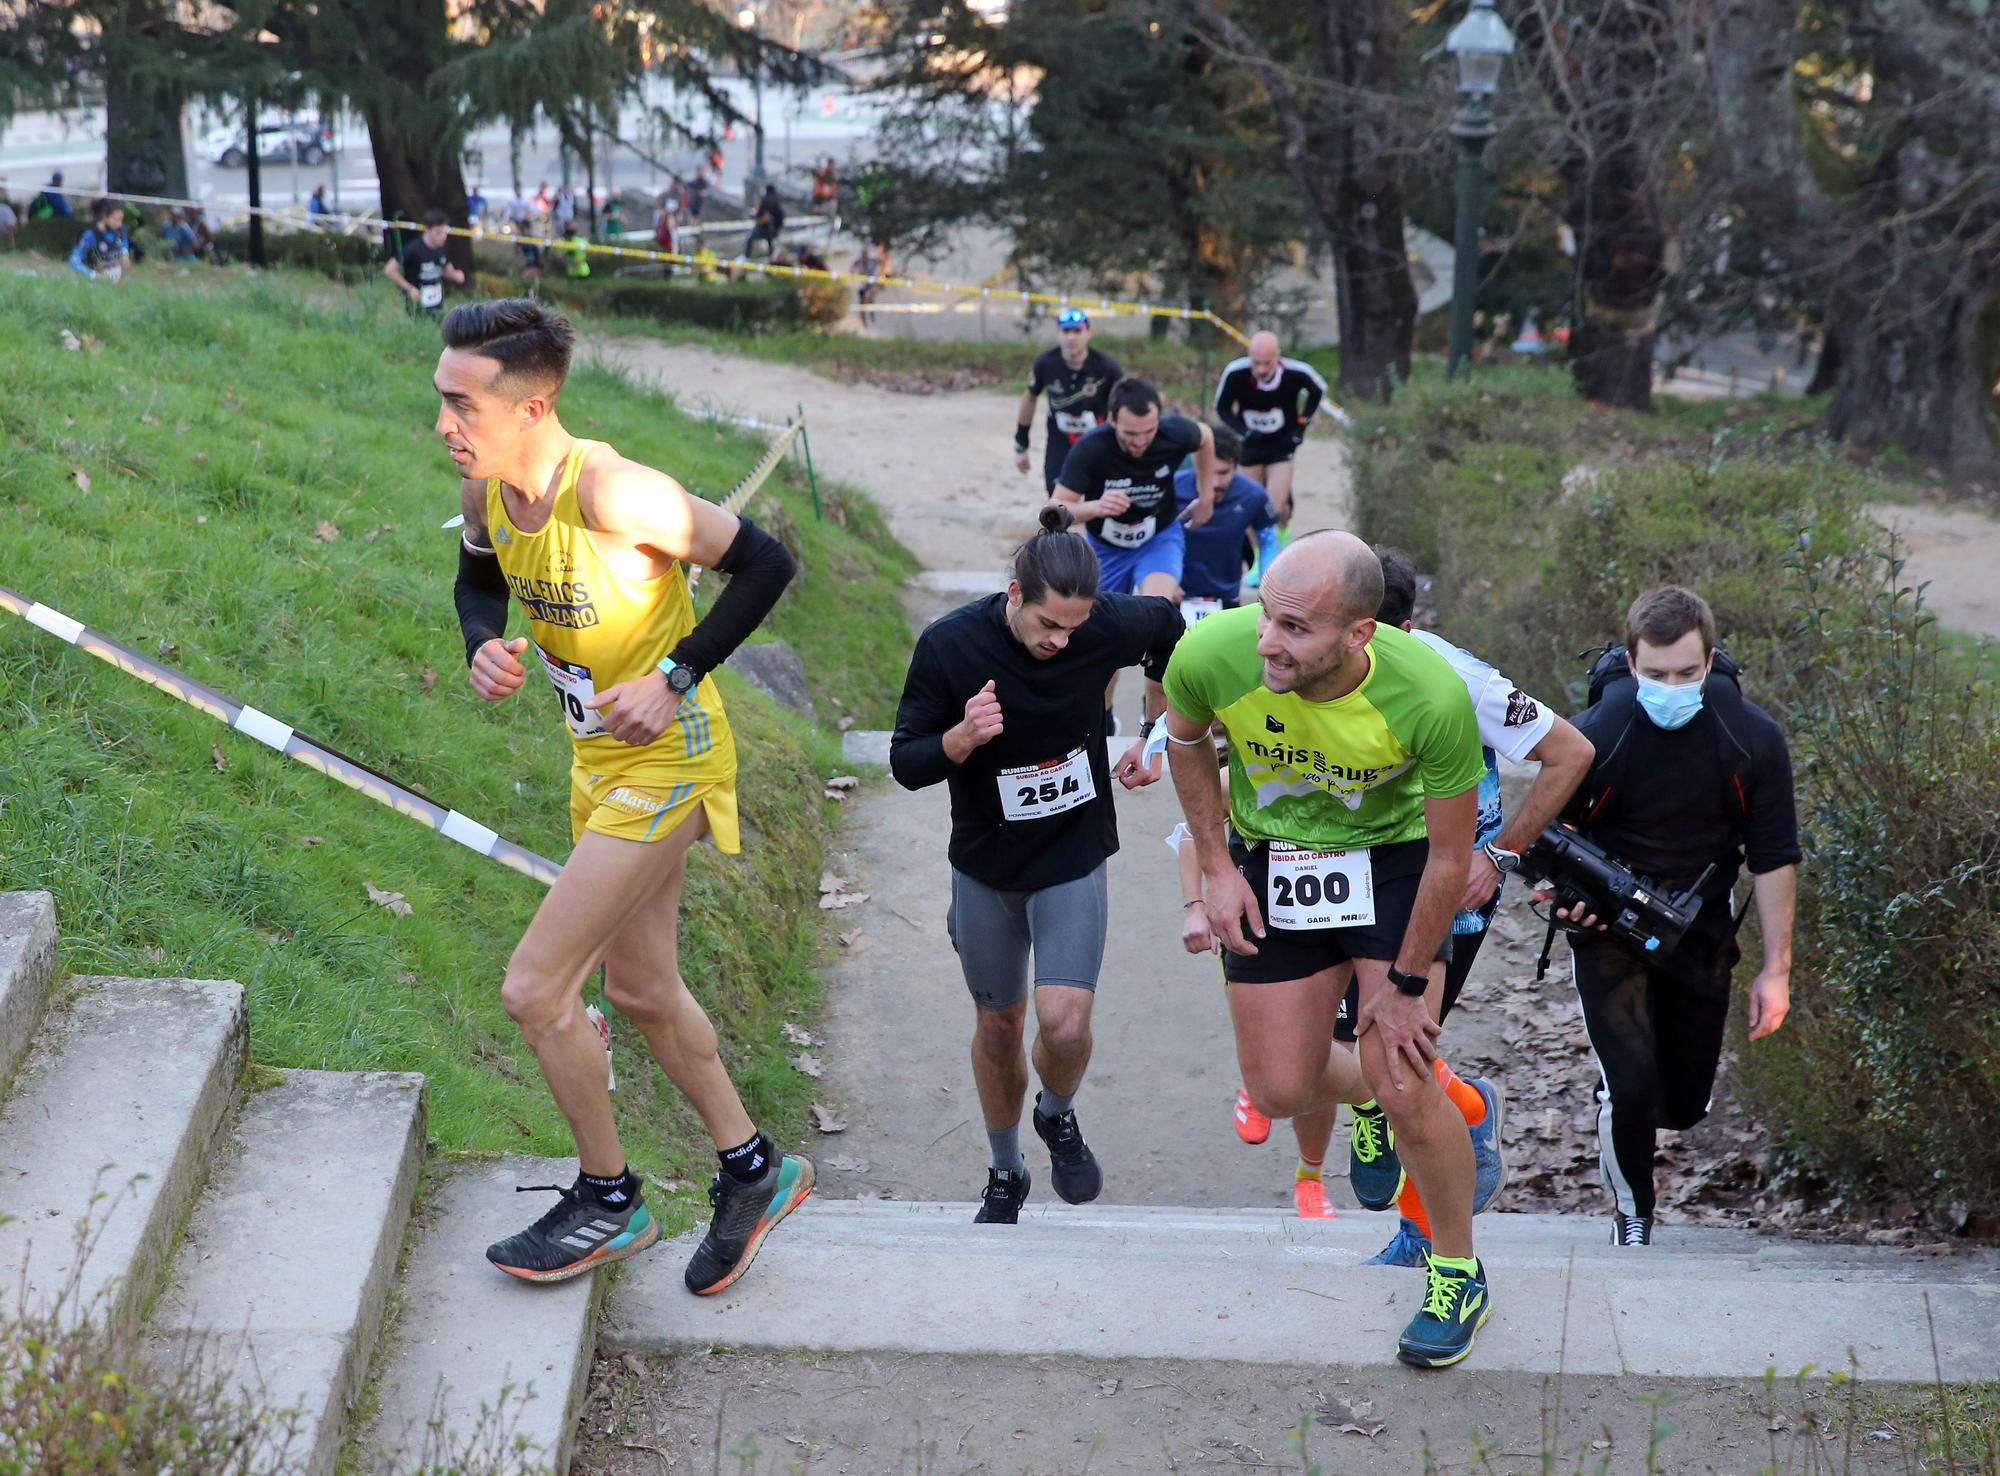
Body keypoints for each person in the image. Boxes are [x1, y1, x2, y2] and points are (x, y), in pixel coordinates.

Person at [441, 297, 813, 1289]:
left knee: (534, 988)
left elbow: (768, 562)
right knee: (641, 990)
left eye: (461, 406)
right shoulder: (487, 494)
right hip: (598, 764)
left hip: (672, 759)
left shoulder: (615, 493)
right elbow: (476, 582)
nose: (444, 426)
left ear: (530, 407)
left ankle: (608, 1197)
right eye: (440, 403)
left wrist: (678, 672)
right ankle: (753, 1169)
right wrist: (483, 644)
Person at [1161, 531, 1497, 1369]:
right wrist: (1213, 869)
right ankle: (1404, 1088)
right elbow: (1185, 740)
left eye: (1297, 629)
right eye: (1267, 616)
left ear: (1359, 634)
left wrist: (1410, 985)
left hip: (1394, 863)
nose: (1269, 641)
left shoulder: (1430, 694)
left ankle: (1457, 1269)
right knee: (1277, 1089)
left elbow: (1452, 857)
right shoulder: (1212, 652)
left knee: (1403, 1072)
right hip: (1275, 858)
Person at [889, 506, 1185, 1224]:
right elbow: (905, 762)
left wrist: (1155, 731)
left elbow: (1173, 634)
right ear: (1015, 595)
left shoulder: (1104, 624)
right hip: (987, 865)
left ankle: (1057, 1114)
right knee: (998, 1027)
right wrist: (959, 739)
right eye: (1049, 625)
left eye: (1075, 630)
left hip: (1072, 853)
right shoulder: (950, 646)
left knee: (1065, 1026)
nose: (1061, 641)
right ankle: (1004, 1168)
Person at [1295, 547, 1591, 1255]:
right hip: (1352, 876)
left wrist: (1500, 853)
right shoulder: (1305, 668)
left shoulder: (1458, 678)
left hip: (1447, 886)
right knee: (1349, 1050)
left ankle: (1423, 1227)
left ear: (1377, 630)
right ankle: (1419, 1115)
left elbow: (1570, 752)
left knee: (1402, 1059)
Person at [1557, 586, 1799, 1247]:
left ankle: (1646, 1115)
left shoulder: (1751, 739)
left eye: (1688, 674)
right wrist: (1563, 894)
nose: (1672, 686)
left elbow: (1775, 858)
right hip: (1607, 928)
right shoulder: (1594, 737)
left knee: (1684, 1104)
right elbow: (1544, 838)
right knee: (1630, 1084)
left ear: (1711, 659)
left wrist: (1776, 970)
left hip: (1701, 928)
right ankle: (1634, 1215)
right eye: (1656, 674)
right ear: (1631, 664)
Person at [1052, 378, 1217, 734]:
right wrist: (1096, 506)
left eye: (1149, 431)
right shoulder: (1090, 449)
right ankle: (1104, 721)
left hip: (1158, 537)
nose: (1141, 441)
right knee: (1105, 636)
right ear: (1111, 420)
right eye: (1130, 433)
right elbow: (1055, 508)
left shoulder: (1174, 434)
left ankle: (1152, 723)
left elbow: (1205, 437)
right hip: (1107, 549)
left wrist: (1206, 496)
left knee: (1156, 615)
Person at [1212, 332, 1335, 585]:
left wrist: (1301, 425)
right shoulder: (1236, 373)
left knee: (1274, 507)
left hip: (1281, 447)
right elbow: (1221, 407)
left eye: (1266, 363)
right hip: (1250, 448)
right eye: (1255, 362)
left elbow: (1318, 390)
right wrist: (1242, 432)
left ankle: (1277, 548)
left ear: (1277, 357)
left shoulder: (1296, 373)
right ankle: (1259, 560)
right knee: (1249, 505)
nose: (1260, 369)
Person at [1171, 425, 1278, 621]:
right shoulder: (1172, 487)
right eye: (1209, 472)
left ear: (1236, 466)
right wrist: (1164, 578)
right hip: (1173, 595)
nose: (1215, 483)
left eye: (1223, 472)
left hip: (1225, 598)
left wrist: (1269, 591)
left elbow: (1268, 540)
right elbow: (1150, 538)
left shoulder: (1252, 495)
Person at [1014, 309, 1124, 496]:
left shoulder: (1107, 367)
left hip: (1098, 438)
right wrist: (1021, 443)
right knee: (1056, 493)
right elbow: (1029, 398)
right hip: (1060, 439)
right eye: (1066, 332)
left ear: (1088, 333)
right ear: (1059, 334)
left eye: (1077, 331)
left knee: (1100, 494)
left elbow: (1123, 404)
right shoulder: (1045, 364)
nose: (1071, 338)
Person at [385, 208, 466, 316]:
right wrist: (409, 289)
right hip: (416, 303)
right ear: (427, 230)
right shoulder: (413, 250)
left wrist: (455, 275)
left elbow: (445, 269)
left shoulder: (442, 248)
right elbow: (390, 270)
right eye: (438, 232)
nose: (443, 237)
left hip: (437, 302)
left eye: (445, 232)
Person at [69, 200, 131, 284]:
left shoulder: (120, 229)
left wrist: (124, 253)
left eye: (121, 220)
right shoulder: (91, 235)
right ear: (105, 217)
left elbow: (124, 240)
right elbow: (74, 260)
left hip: (116, 282)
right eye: (116, 220)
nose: (119, 224)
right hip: (95, 283)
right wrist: (92, 275)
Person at [743, 184, 785, 259]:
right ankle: (771, 257)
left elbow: (758, 212)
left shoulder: (764, 199)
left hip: (764, 225)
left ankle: (746, 256)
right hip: (774, 226)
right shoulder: (777, 199)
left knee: (750, 239)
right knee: (770, 242)